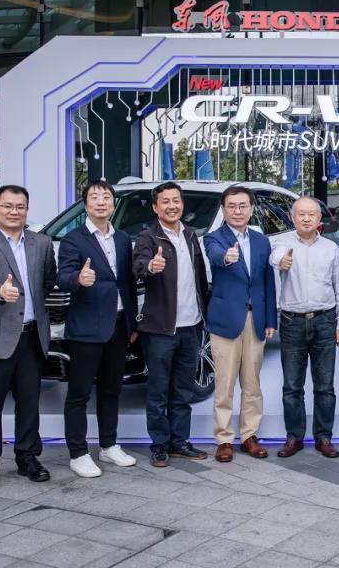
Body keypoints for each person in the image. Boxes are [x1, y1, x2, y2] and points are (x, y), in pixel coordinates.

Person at [0, 184, 56, 493]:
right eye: (7, 206)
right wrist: (0, 292)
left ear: (27, 211)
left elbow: (48, 281)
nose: (14, 212)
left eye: (20, 207)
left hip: (31, 336)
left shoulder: (42, 243)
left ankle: (27, 457)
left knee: (29, 403)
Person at [57, 181, 139, 477]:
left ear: (113, 204)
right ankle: (78, 453)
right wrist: (78, 279)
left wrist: (132, 322)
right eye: (95, 197)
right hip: (86, 328)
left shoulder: (123, 239)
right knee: (79, 394)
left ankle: (108, 445)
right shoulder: (73, 240)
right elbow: (62, 278)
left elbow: (127, 284)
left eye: (106, 197)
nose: (101, 202)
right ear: (85, 205)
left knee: (111, 390)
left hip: (118, 326)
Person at [132, 182, 210, 468]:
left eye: (176, 200)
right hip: (161, 329)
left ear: (182, 204)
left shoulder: (190, 235)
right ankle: (159, 445)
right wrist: (151, 267)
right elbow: (138, 267)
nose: (172, 206)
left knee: (183, 391)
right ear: (156, 207)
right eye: (165, 201)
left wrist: (205, 316)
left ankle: (179, 442)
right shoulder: (147, 237)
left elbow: (200, 279)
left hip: (192, 326)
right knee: (158, 392)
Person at [270, 197, 339, 459]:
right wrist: (282, 262)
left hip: (325, 321)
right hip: (292, 322)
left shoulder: (331, 248)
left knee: (325, 386)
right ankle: (294, 437)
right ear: (292, 217)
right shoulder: (283, 243)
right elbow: (275, 257)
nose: (306, 219)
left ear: (319, 219)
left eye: (311, 214)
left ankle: (324, 437)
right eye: (301, 214)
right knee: (292, 386)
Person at [204, 185, 277, 462]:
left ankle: (249, 435)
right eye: (232, 206)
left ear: (250, 208)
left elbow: (268, 282)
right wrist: (227, 257)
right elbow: (215, 256)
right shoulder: (214, 238)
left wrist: (270, 318)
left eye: (243, 205)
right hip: (225, 321)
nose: (237, 211)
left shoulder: (261, 241)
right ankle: (224, 439)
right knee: (224, 384)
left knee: (252, 383)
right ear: (223, 210)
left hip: (255, 319)